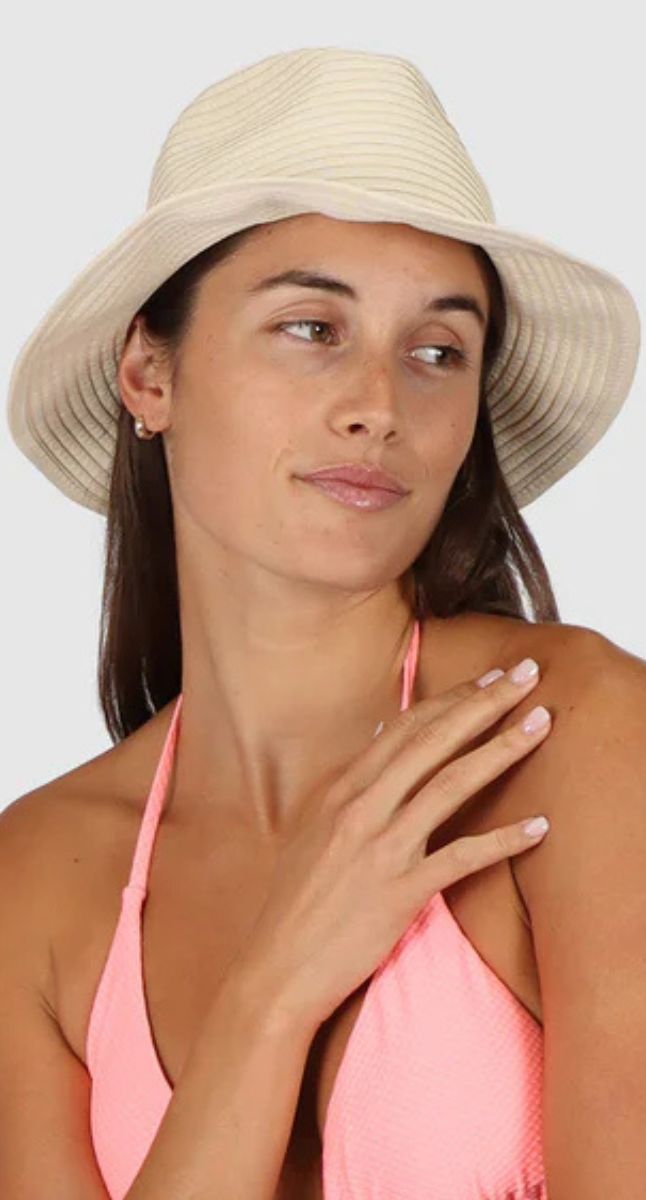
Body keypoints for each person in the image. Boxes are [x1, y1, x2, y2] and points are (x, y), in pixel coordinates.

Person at [1, 46, 645, 1200]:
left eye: (437, 350)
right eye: (311, 327)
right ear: (148, 373)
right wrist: (274, 989)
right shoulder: (36, 878)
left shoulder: (576, 740)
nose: (378, 407)